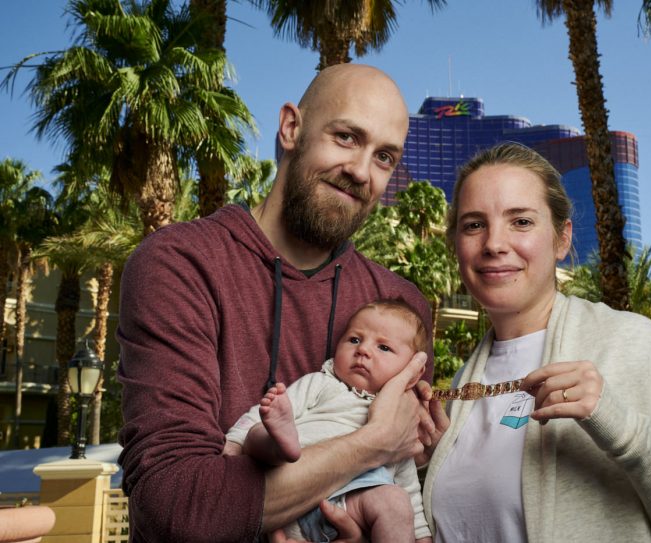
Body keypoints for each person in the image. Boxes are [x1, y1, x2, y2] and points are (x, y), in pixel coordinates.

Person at [117, 64, 439, 543]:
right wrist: (370, 444)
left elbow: (409, 495)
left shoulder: (402, 311)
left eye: (385, 157)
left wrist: (422, 452)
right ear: (292, 127)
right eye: (347, 137)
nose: (361, 171)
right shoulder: (180, 263)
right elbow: (177, 507)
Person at [421, 143, 651, 542]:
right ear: (456, 244)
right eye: (473, 224)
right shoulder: (460, 390)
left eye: (520, 221)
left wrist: (623, 432)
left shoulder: (639, 346)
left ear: (562, 238)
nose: (494, 243)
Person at [225, 300, 432, 543]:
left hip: (347, 506)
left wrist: (421, 536)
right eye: (354, 339)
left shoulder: (400, 423)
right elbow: (256, 414)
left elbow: (410, 494)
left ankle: (281, 443)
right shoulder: (321, 383)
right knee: (259, 432)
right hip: (287, 486)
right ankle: (283, 444)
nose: (363, 350)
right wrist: (234, 443)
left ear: (413, 370)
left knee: (396, 503)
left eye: (384, 347)